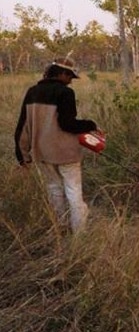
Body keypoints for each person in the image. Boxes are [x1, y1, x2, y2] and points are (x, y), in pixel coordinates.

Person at [14, 57, 99, 234]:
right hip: (66, 154)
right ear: (60, 74)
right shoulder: (65, 93)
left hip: (42, 154)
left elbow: (22, 127)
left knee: (54, 190)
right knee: (74, 192)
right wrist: (91, 125)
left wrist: (23, 157)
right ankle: (80, 236)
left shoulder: (32, 92)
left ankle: (61, 229)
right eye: (69, 77)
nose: (70, 81)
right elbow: (68, 124)